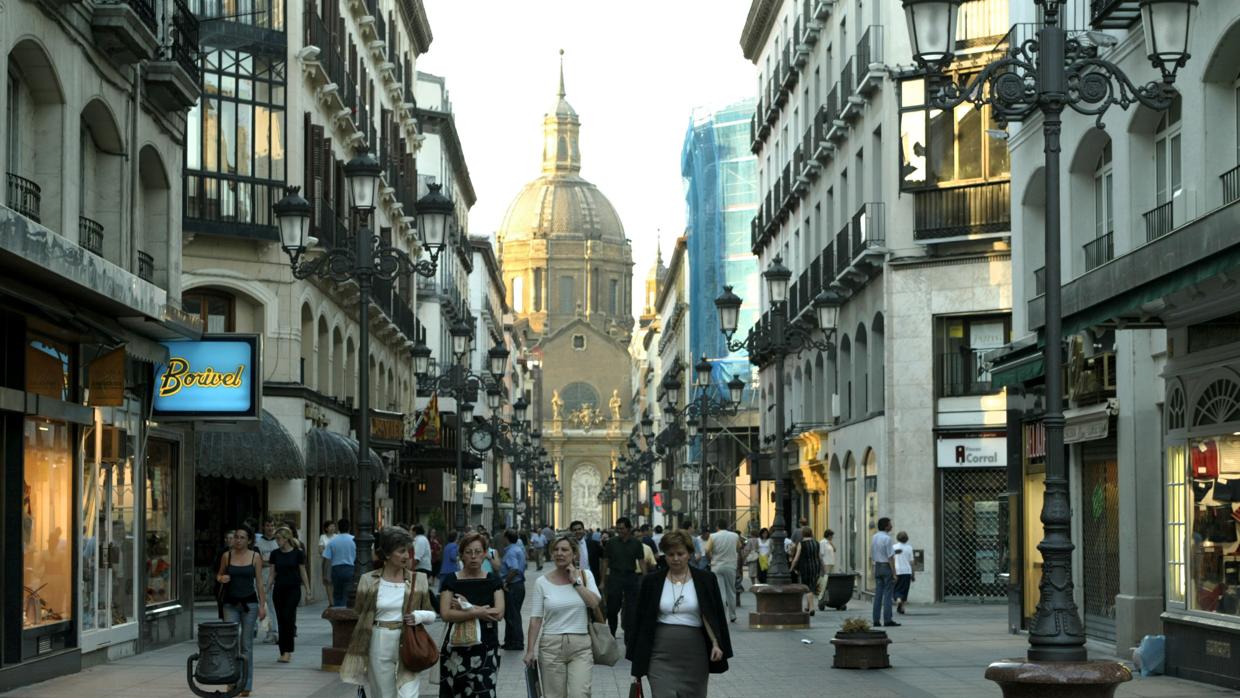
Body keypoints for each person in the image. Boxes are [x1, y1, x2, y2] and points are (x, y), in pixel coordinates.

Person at [627, 529, 733, 698]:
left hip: (695, 654)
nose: (675, 559)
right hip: (659, 654)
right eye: (670, 554)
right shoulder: (651, 581)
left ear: (689, 554)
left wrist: (716, 643)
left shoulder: (706, 579)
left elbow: (715, 615)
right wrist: (637, 658)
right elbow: (640, 619)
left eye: (680, 553)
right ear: (664, 555)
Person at [341, 527, 437, 698]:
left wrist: (418, 616)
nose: (407, 556)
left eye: (408, 551)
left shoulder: (419, 580)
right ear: (386, 554)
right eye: (401, 551)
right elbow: (360, 614)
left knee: (408, 695)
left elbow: (431, 615)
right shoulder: (368, 581)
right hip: (379, 640)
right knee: (384, 694)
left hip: (408, 641)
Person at [523, 536, 602, 698]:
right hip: (551, 646)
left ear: (574, 554)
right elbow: (536, 618)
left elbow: (594, 603)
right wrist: (530, 650)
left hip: (581, 646)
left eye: (565, 550)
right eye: (556, 550)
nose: (559, 553)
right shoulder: (541, 582)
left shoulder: (586, 576)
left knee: (580, 694)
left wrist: (575, 581)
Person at [438, 532, 505, 697]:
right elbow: (446, 613)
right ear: (461, 555)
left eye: (478, 552)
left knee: (484, 692)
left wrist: (467, 607)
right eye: (468, 552)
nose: (473, 557)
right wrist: (483, 611)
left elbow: (499, 613)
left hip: (486, 646)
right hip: (456, 648)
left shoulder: (493, 580)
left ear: (484, 554)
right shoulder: (451, 580)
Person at [215, 524, 267, 697]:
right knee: (230, 643)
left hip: (249, 604)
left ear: (249, 540)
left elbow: (259, 582)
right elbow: (218, 575)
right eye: (236, 537)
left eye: (242, 537)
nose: (238, 540)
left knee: (246, 645)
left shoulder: (255, 557)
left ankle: (246, 684)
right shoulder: (226, 556)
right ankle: (231, 681)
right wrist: (222, 578)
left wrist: (262, 606)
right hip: (230, 603)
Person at [601, 517, 648, 641]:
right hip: (615, 577)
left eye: (622, 528)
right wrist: (602, 581)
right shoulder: (611, 542)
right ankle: (612, 632)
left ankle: (629, 637)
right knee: (612, 608)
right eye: (618, 528)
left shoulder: (636, 543)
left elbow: (642, 562)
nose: (619, 531)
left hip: (630, 577)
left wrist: (646, 579)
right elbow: (605, 562)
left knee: (631, 609)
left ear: (628, 529)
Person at [270, 526, 311, 663]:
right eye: (276, 539)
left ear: (286, 539)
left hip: (293, 590)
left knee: (288, 617)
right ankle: (283, 651)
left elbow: (303, 572)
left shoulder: (298, 553)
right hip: (279, 590)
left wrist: (308, 589)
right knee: (281, 620)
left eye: (279, 539)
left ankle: (288, 651)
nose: (277, 542)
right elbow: (272, 573)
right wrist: (266, 589)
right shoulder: (275, 554)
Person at [704, 521, 741, 623]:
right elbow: (739, 548)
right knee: (731, 591)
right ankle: (732, 615)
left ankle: (722, 615)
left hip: (717, 565)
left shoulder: (713, 536)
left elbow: (707, 550)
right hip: (730, 565)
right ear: (727, 526)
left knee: (720, 591)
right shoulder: (735, 536)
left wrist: (711, 559)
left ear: (717, 527)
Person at [499, 529, 527, 651]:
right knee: (512, 614)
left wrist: (506, 582)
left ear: (506, 538)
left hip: (513, 586)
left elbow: (514, 569)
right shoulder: (518, 549)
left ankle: (516, 642)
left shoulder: (511, 552)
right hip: (518, 585)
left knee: (513, 615)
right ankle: (509, 640)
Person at [254, 517, 280, 644]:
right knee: (266, 606)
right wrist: (272, 563)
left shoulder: (279, 542)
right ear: (264, 527)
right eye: (268, 525)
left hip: (279, 579)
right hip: (263, 579)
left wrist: (269, 562)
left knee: (276, 606)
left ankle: (276, 631)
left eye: (272, 525)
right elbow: (259, 563)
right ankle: (270, 632)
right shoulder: (258, 544)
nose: (270, 528)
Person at [871, 516, 898, 627]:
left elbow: (872, 553)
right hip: (886, 567)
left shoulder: (874, 537)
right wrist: (894, 573)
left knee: (878, 594)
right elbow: (890, 557)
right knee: (887, 595)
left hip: (877, 566)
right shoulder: (887, 538)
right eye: (890, 524)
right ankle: (887, 620)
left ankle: (876, 620)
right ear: (886, 526)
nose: (891, 526)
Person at [324, 519, 357, 607]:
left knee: (337, 594)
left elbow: (327, 559)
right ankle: (344, 611)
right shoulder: (354, 540)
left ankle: (338, 611)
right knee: (347, 594)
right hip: (350, 569)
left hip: (336, 569)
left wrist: (326, 574)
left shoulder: (332, 541)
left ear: (338, 528)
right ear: (349, 528)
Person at [789, 526, 822, 616]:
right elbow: (819, 557)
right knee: (812, 585)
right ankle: (808, 607)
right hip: (816, 566)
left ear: (803, 534)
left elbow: (796, 558)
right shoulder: (816, 543)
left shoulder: (801, 544)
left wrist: (792, 567)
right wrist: (822, 568)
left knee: (808, 587)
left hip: (806, 567)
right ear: (811, 533)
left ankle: (811, 608)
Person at [893, 531, 915, 614]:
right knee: (905, 590)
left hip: (897, 571)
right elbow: (912, 562)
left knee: (896, 588)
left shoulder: (894, 547)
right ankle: (902, 607)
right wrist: (913, 574)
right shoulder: (909, 548)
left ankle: (898, 600)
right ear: (907, 538)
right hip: (907, 571)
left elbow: (892, 559)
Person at [318, 520, 338, 603]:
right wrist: (328, 553)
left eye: (334, 526)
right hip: (327, 561)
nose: (333, 528)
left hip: (336, 561)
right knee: (327, 581)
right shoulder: (323, 537)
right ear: (326, 528)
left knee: (335, 581)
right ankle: (331, 601)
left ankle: (335, 599)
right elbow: (320, 549)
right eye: (331, 526)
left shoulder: (337, 537)